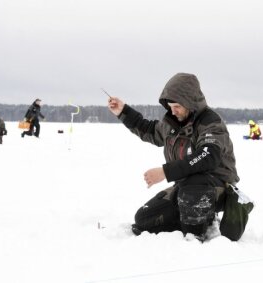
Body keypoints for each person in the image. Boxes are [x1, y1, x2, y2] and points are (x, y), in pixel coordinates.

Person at [108, 73, 253, 241]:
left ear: (190, 103)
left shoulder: (210, 121)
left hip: (216, 186)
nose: (172, 111)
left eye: (176, 106)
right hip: (184, 187)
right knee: (144, 218)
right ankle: (193, 221)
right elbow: (149, 130)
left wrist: (164, 172)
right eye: (170, 106)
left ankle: (197, 235)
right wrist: (123, 111)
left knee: (194, 185)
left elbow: (208, 156)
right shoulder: (173, 123)